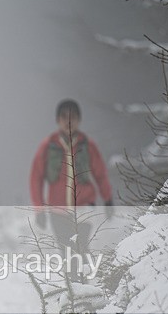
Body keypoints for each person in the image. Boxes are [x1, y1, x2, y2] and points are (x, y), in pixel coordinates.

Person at [29, 99, 113, 255]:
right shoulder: (48, 145)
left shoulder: (87, 145)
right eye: (64, 117)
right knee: (66, 251)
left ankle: (84, 278)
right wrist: (39, 210)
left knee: (80, 249)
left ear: (79, 119)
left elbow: (100, 173)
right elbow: (36, 178)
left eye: (73, 117)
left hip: (84, 208)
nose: (69, 121)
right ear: (57, 120)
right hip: (57, 211)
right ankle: (76, 279)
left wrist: (108, 199)